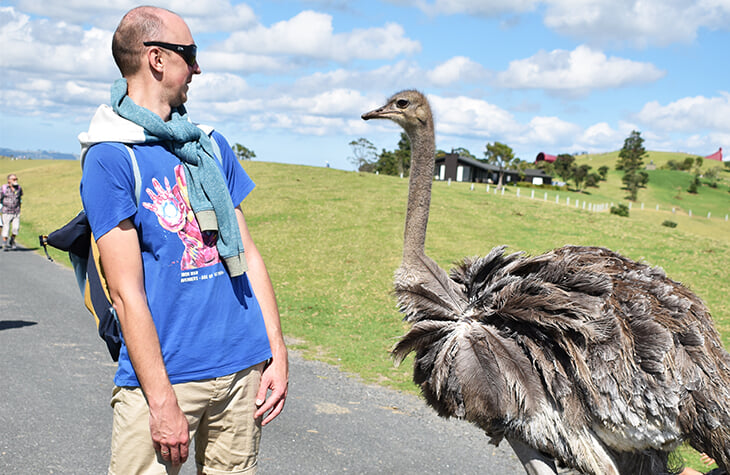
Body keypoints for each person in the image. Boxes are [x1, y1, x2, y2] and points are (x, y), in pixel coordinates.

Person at [77, 6, 288, 474]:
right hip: (167, 380)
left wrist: (275, 350)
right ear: (156, 58)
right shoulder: (111, 156)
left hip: (241, 370)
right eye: (189, 54)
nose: (198, 68)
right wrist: (161, 402)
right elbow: (126, 294)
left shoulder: (210, 145)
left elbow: (247, 253)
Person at [1, 173, 23, 251]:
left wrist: (20, 208)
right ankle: (4, 243)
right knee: (6, 227)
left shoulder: (19, 188)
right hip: (6, 211)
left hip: (16, 211)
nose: (16, 180)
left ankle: (12, 240)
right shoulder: (4, 188)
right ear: (9, 180)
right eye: (14, 179)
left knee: (16, 228)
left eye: (16, 179)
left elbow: (20, 198)